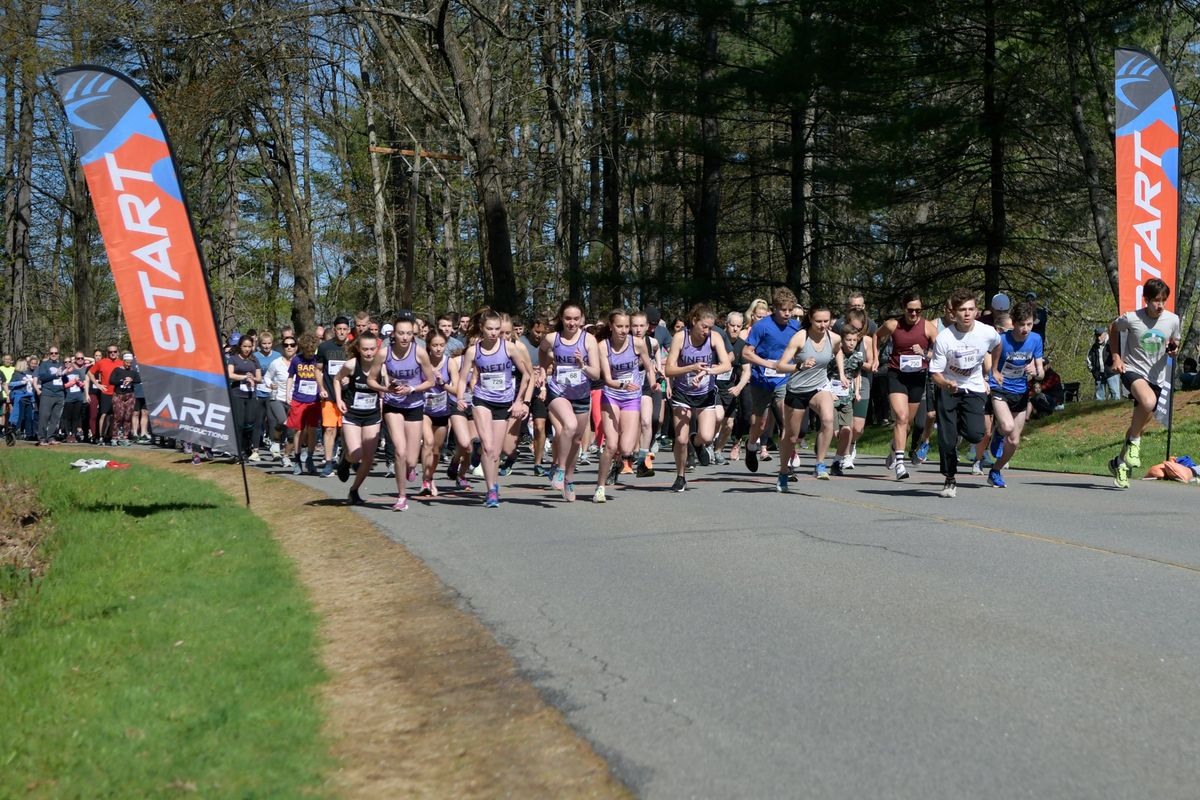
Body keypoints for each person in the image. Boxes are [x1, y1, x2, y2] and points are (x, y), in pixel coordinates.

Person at [454, 309, 533, 508]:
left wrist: (519, 401)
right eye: (490, 329)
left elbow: (526, 375)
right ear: (481, 328)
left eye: (497, 329)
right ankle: (490, 490)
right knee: (489, 447)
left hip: (504, 402)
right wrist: (460, 397)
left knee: (496, 453)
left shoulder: (509, 348)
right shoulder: (474, 351)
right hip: (482, 400)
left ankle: (493, 484)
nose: (494, 333)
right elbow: (463, 377)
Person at [928, 288, 1002, 498]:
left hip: (974, 388)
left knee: (976, 434)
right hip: (949, 390)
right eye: (962, 310)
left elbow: (998, 345)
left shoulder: (986, 332)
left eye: (971, 309)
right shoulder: (945, 338)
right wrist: (946, 383)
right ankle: (950, 479)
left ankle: (959, 428)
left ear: (976, 311)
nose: (967, 314)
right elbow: (934, 373)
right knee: (947, 440)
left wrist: (994, 369)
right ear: (954, 313)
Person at [1107, 281, 1182, 488]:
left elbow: (1176, 341)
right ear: (1146, 300)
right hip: (1132, 370)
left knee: (1136, 426)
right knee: (1149, 402)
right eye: (1156, 301)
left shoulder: (1172, 320)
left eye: (1163, 301)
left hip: (1156, 377)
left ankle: (1120, 463)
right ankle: (1135, 444)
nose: (1160, 305)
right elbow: (1113, 328)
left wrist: (1174, 350)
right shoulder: (1132, 318)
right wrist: (1116, 357)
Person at [774, 306, 845, 488]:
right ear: (811, 320)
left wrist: (842, 374)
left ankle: (820, 464)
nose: (822, 325)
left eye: (826, 321)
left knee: (828, 420)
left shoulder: (834, 338)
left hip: (819, 386)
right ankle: (783, 470)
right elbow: (780, 365)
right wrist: (800, 366)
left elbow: (838, 351)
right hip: (797, 389)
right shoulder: (801, 337)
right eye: (818, 321)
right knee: (792, 436)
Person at [664, 304, 732, 492]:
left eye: (710, 327)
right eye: (704, 327)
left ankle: (698, 443)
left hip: (705, 394)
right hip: (682, 393)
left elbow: (726, 365)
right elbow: (668, 369)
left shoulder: (714, 338)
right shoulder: (680, 338)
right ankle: (680, 476)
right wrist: (690, 368)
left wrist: (707, 371)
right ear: (694, 322)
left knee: (708, 436)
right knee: (681, 439)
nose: (707, 331)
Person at [593, 309, 659, 502]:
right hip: (612, 395)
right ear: (611, 327)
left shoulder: (638, 344)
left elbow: (649, 367)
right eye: (619, 326)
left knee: (627, 448)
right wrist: (622, 384)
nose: (624, 330)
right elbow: (606, 379)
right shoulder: (603, 347)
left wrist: (653, 382)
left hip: (632, 397)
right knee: (611, 445)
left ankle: (619, 463)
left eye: (626, 327)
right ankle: (600, 487)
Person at [540, 300, 601, 502]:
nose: (572, 323)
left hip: (581, 394)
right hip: (558, 391)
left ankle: (568, 478)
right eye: (568, 318)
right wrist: (542, 370)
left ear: (582, 319)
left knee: (576, 439)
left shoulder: (589, 340)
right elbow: (542, 350)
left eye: (576, 319)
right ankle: (560, 468)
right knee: (569, 425)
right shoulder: (553, 338)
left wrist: (582, 365)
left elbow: (596, 373)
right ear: (561, 319)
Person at [374, 316, 437, 511]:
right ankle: (402, 496)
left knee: (411, 459)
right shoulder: (384, 353)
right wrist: (386, 389)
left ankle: (410, 468)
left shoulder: (419, 353)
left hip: (414, 405)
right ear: (393, 334)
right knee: (399, 452)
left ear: (413, 335)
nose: (405, 337)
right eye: (401, 333)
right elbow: (371, 380)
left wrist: (413, 389)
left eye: (409, 333)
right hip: (393, 405)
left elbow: (431, 381)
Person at [875, 293, 938, 480]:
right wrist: (874, 358)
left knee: (907, 424)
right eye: (910, 310)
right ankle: (901, 465)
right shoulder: (893, 325)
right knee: (901, 418)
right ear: (904, 309)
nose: (914, 314)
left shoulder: (928, 327)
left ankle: (895, 449)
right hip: (897, 375)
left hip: (917, 378)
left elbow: (941, 352)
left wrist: (926, 353)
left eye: (918, 310)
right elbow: (876, 336)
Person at [742, 287, 801, 474]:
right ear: (774, 308)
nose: (787, 313)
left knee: (786, 420)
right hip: (761, 380)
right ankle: (751, 446)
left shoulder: (795, 327)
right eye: (783, 309)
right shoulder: (762, 326)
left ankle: (787, 462)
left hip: (784, 380)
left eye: (790, 310)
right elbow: (746, 353)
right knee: (760, 423)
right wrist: (767, 363)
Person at [985, 301, 1044, 488]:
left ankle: (995, 470)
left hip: (1020, 391)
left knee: (1015, 440)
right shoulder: (1001, 340)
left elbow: (1041, 372)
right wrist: (990, 375)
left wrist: (1036, 370)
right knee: (1008, 426)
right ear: (1014, 323)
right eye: (1021, 325)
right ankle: (998, 433)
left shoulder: (1036, 339)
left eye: (1029, 324)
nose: (1025, 329)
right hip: (1000, 388)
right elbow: (986, 358)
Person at [332, 331, 385, 506]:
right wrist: (339, 400)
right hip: (353, 415)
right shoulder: (352, 365)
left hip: (372, 416)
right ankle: (346, 461)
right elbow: (337, 379)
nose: (369, 353)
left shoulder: (382, 367)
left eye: (372, 349)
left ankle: (354, 490)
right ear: (359, 349)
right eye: (365, 349)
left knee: (368, 459)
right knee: (356, 454)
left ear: (377, 349)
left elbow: (385, 388)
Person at [829, 311, 869, 475]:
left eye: (854, 340)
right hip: (831, 396)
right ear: (842, 340)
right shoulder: (833, 356)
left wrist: (857, 391)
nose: (852, 343)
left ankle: (837, 461)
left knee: (847, 430)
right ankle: (820, 452)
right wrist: (830, 392)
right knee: (833, 431)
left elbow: (857, 373)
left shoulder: (858, 357)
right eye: (848, 340)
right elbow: (825, 375)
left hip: (847, 397)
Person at [712, 311, 751, 464]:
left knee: (729, 424)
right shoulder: (717, 340)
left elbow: (747, 371)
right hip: (712, 385)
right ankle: (707, 443)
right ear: (726, 325)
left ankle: (718, 451)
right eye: (732, 325)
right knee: (718, 416)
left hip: (729, 387)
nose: (735, 329)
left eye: (738, 326)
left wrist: (739, 387)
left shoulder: (742, 346)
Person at [418, 330, 453, 496]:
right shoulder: (422, 362)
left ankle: (430, 477)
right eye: (435, 345)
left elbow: (457, 389)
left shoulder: (449, 363)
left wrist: (442, 382)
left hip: (443, 410)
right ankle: (425, 480)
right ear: (428, 346)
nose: (438, 349)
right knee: (428, 442)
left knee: (437, 450)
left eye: (441, 345)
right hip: (424, 409)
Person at [317, 316, 351, 476]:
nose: (342, 332)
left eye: (345, 329)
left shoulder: (353, 347)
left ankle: (346, 460)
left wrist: (349, 378)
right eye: (339, 329)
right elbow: (318, 369)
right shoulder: (324, 347)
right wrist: (321, 387)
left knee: (346, 431)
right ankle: (328, 462)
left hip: (348, 396)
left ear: (349, 330)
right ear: (334, 329)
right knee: (330, 429)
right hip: (330, 395)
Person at [286, 332, 324, 474]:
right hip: (298, 399)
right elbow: (290, 377)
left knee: (313, 430)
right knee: (299, 430)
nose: (309, 354)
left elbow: (323, 376)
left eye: (311, 351)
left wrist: (322, 390)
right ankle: (297, 460)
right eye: (307, 351)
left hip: (314, 401)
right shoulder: (296, 360)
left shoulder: (317, 361)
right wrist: (288, 393)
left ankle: (310, 458)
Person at [226, 337, 262, 461]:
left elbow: (259, 378)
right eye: (244, 346)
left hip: (251, 394)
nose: (247, 349)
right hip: (237, 394)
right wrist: (243, 377)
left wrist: (253, 378)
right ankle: (238, 451)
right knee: (239, 423)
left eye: (249, 347)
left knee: (249, 422)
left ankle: (246, 447)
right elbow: (230, 374)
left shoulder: (254, 359)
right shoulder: (234, 359)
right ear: (240, 346)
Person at [263, 335, 295, 463]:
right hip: (278, 398)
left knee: (292, 433)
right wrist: (270, 384)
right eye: (286, 345)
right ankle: (275, 441)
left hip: (294, 400)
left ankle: (286, 456)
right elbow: (267, 377)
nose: (289, 347)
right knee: (283, 421)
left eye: (292, 345)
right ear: (282, 347)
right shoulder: (276, 363)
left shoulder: (299, 363)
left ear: (296, 347)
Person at [91, 345, 124, 445]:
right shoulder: (102, 362)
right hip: (106, 392)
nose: (113, 353)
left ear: (118, 352)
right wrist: (98, 385)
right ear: (107, 353)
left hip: (118, 393)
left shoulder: (121, 363)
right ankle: (100, 436)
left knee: (115, 416)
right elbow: (90, 373)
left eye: (114, 351)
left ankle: (111, 436)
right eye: (110, 352)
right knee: (103, 415)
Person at [34, 346, 66, 445]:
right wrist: (55, 375)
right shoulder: (44, 364)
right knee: (44, 416)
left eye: (56, 353)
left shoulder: (61, 364)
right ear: (49, 354)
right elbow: (42, 377)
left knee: (55, 418)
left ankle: (51, 437)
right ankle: (42, 438)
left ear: (58, 354)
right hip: (47, 393)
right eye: (52, 353)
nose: (54, 355)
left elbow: (64, 379)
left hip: (60, 394)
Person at [1087, 326, 1119, 400]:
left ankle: (1117, 410)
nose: (1098, 338)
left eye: (1100, 335)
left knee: (1115, 395)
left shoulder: (1111, 344)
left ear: (1105, 334)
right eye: (1097, 335)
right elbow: (1089, 360)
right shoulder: (1094, 347)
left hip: (1112, 373)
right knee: (1099, 398)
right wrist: (1093, 371)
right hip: (1098, 374)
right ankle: (1099, 411)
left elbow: (1118, 356)